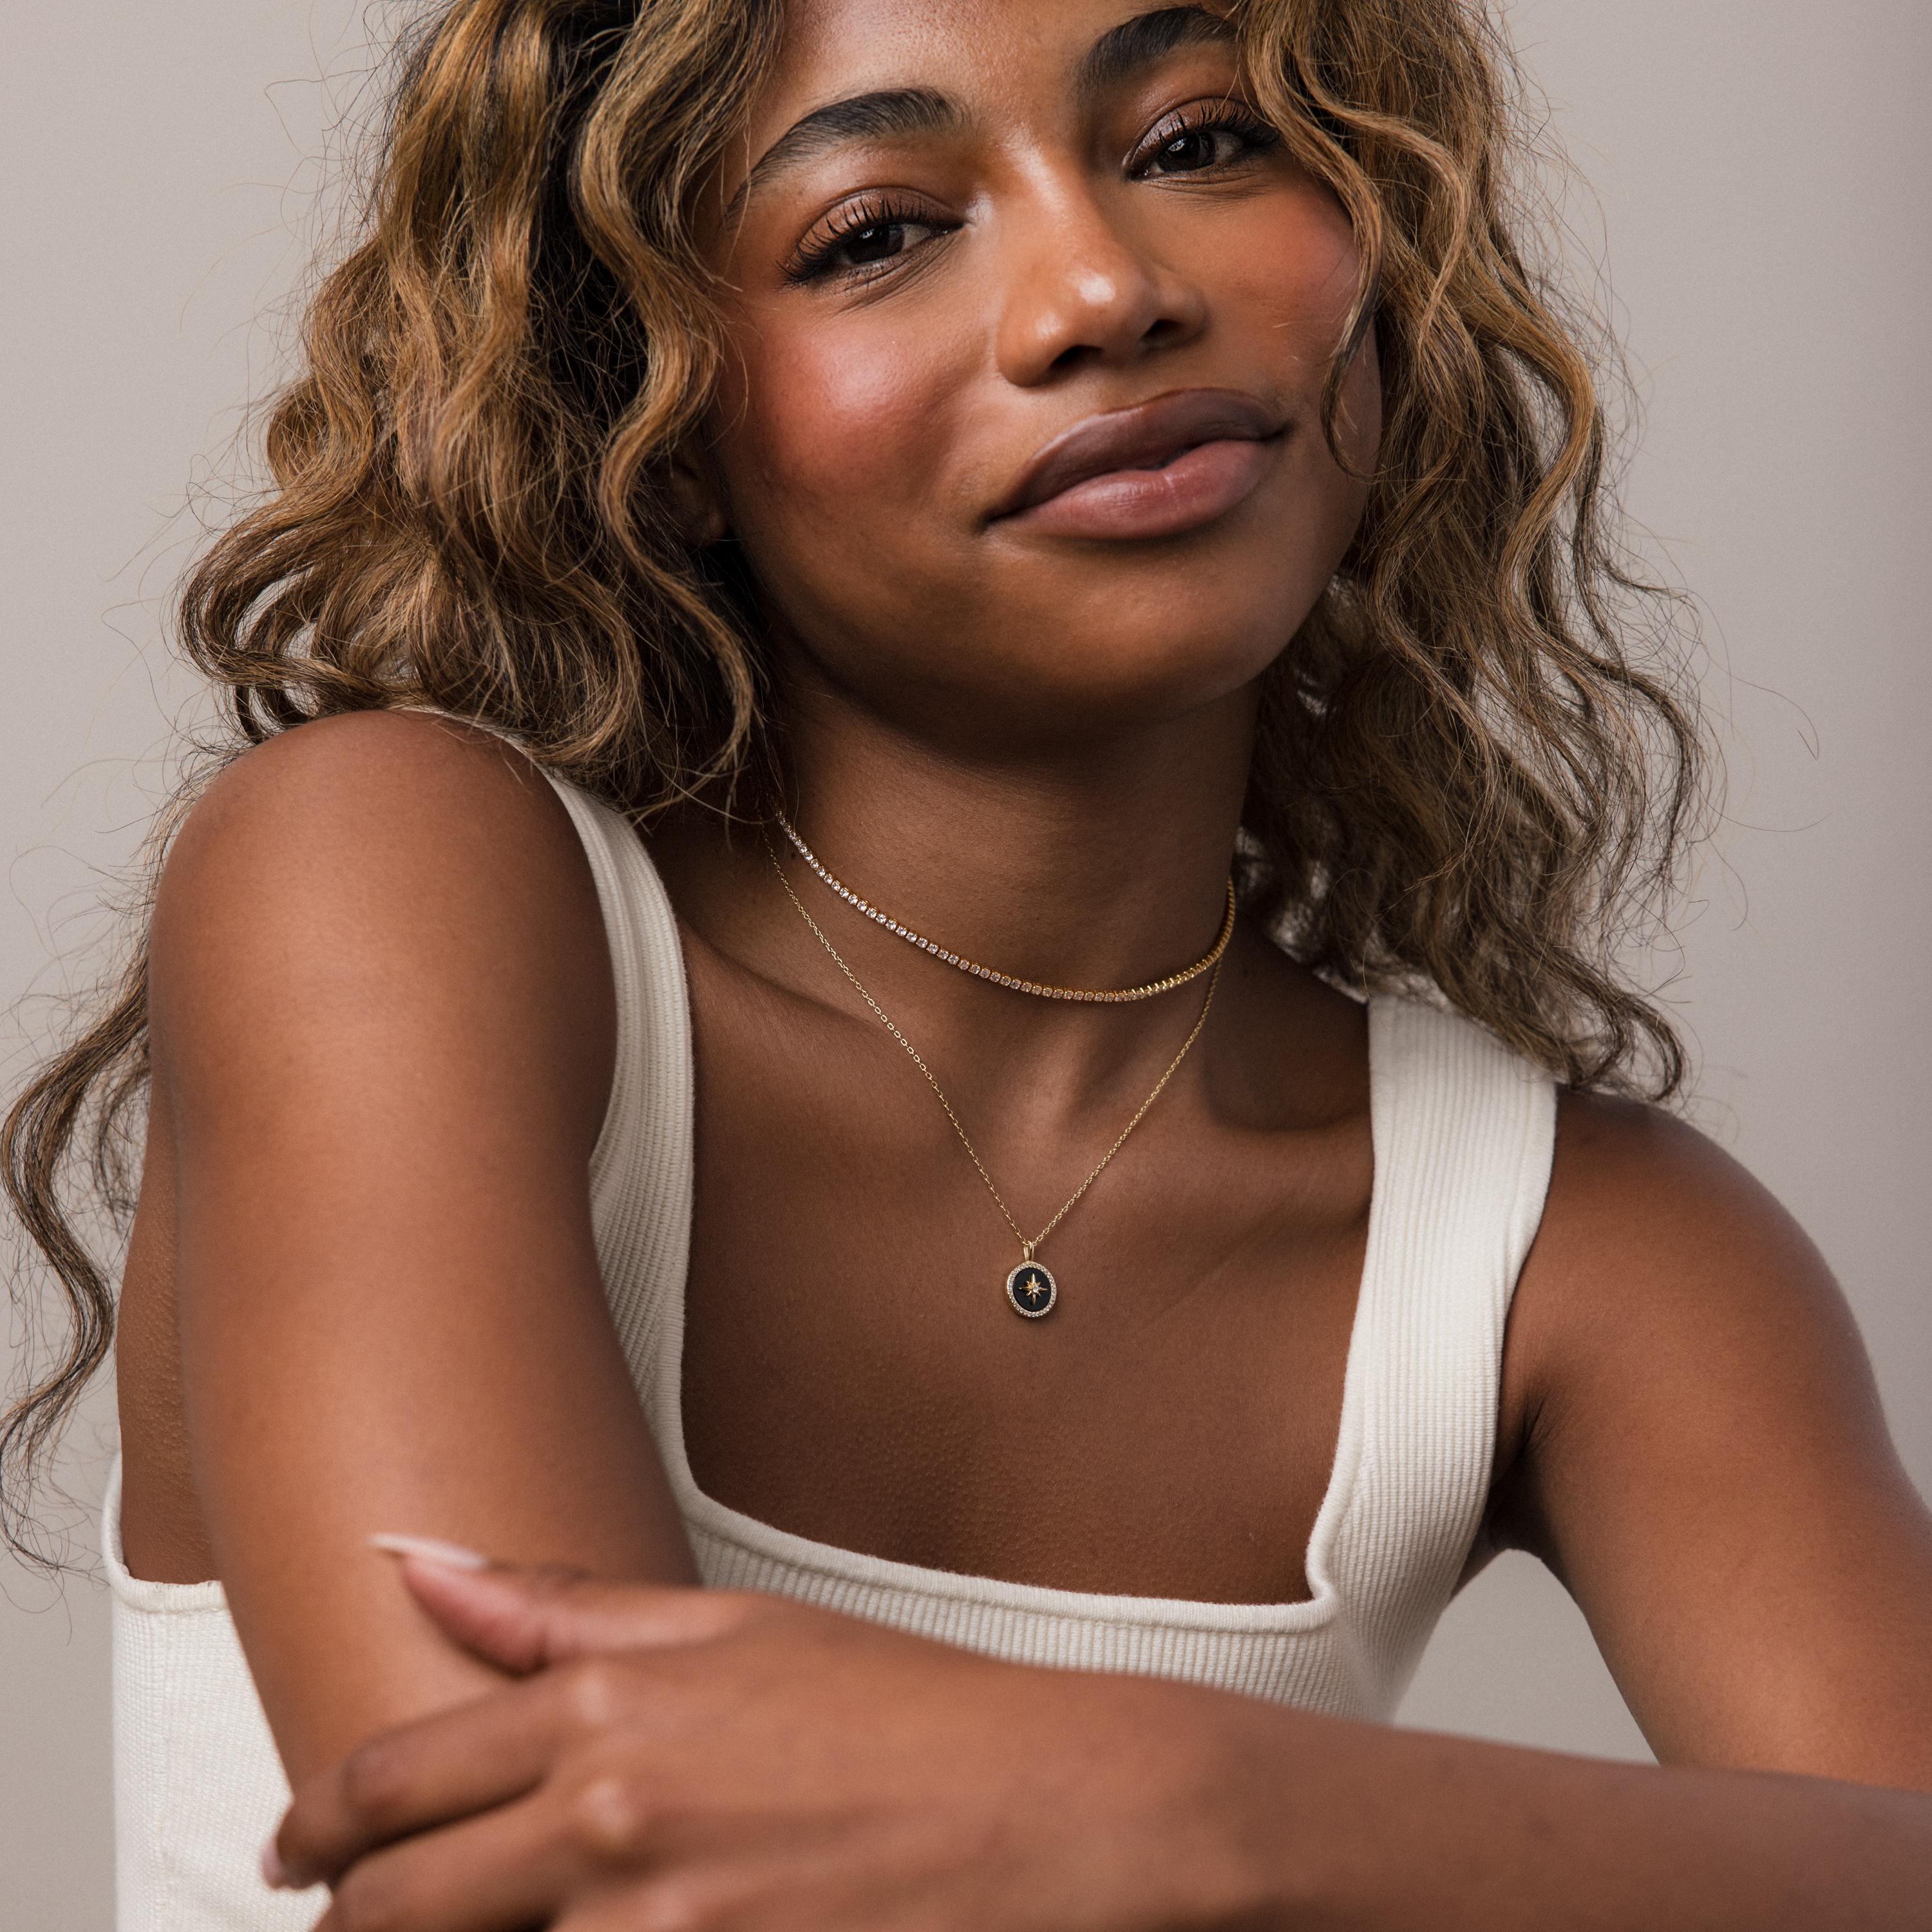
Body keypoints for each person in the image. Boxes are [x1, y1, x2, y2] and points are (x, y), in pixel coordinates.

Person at [6, 0, 1930, 1925]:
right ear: (663, 418)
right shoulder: (394, 886)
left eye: (1195, 143)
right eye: (873, 232)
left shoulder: (1581, 1255)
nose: (1104, 287)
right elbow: (546, 1881)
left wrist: (1195, 1808)